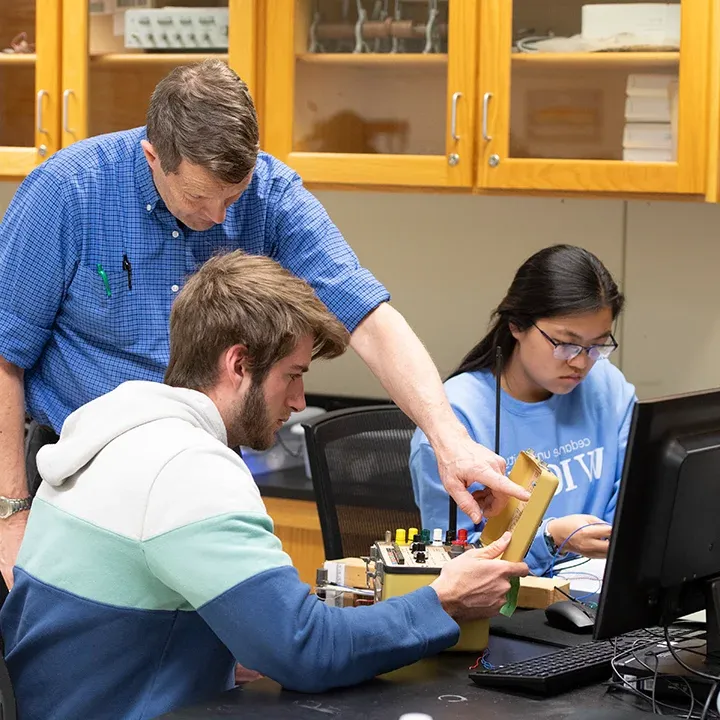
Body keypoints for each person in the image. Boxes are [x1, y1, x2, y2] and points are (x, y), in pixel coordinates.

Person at [0, 60, 526, 589]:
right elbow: (4, 356)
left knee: (230, 657)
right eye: (200, 198)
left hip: (203, 474)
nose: (221, 218)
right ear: (153, 157)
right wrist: (13, 514)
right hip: (80, 477)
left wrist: (448, 439)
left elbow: (367, 316)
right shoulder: (67, 193)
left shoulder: (271, 194)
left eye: (234, 195)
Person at [0, 251, 529, 720]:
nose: (299, 401)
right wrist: (442, 600)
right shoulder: (186, 467)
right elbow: (306, 650)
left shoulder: (120, 426)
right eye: (292, 375)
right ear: (238, 364)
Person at [409, 245, 638, 576]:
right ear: (517, 325)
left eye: (597, 345)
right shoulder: (456, 421)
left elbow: (636, 501)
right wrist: (549, 539)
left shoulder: (607, 387)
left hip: (596, 593)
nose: (580, 362)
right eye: (564, 343)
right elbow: (456, 564)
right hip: (507, 610)